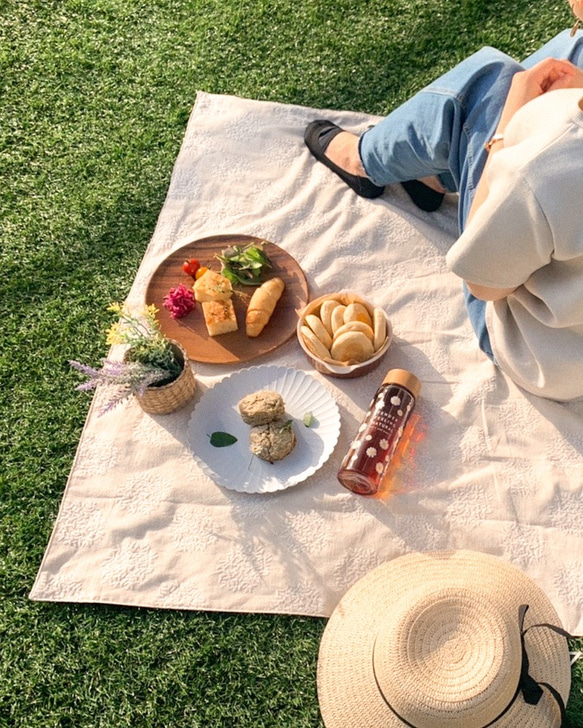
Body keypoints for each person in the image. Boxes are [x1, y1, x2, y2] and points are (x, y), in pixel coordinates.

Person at [304, 12, 583, 402]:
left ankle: (364, 161)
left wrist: (507, 124)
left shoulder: (547, 161)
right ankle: (435, 173)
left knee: (491, 82)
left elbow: (484, 280)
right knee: (568, 52)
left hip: (541, 354)